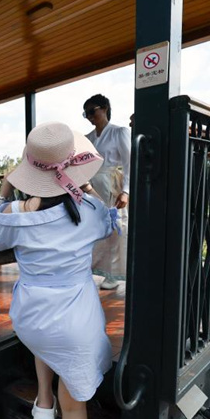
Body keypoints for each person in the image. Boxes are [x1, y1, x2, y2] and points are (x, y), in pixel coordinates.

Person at [0, 122, 118, 419]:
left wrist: (5, 194)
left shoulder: (15, 217)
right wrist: (85, 187)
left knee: (44, 339)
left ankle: (43, 400)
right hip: (73, 320)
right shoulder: (90, 212)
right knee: (74, 407)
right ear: (72, 171)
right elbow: (108, 221)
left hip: (29, 316)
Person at [82, 94, 131, 291]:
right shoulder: (88, 138)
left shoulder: (119, 132)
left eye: (92, 111)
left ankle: (112, 273)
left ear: (105, 108)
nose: (89, 116)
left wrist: (126, 191)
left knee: (115, 227)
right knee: (93, 226)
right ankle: (93, 268)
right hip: (92, 186)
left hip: (111, 184)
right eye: (86, 113)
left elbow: (129, 163)